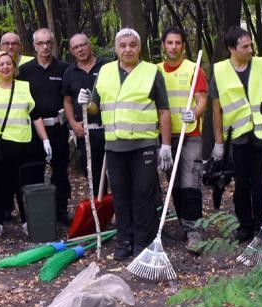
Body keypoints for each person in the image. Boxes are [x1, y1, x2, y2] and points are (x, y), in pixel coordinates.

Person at [79, 28, 172, 260]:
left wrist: (166, 145)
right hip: (114, 146)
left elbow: (163, 111)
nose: (127, 49)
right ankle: (124, 240)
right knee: (120, 195)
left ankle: (142, 241)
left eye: (132, 45)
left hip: (144, 146)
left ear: (139, 48)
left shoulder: (152, 72)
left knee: (143, 194)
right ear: (116, 48)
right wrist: (86, 101)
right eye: (123, 45)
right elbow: (95, 108)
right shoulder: (106, 72)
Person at [0, 51, 52, 238]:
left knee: (24, 185)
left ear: (14, 66)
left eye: (8, 63)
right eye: (1, 64)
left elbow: (35, 115)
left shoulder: (25, 87)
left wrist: (45, 139)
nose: (5, 67)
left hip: (23, 145)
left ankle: (27, 220)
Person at [209, 26, 262, 243]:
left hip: (261, 133)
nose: (250, 49)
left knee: (261, 181)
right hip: (238, 135)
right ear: (231, 49)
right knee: (242, 183)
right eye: (245, 46)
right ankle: (245, 225)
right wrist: (218, 142)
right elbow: (216, 109)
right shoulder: (220, 71)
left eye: (251, 45)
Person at [157, 27, 208, 253]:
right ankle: (183, 224)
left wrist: (194, 114)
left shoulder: (193, 69)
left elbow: (202, 100)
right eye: (170, 43)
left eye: (178, 43)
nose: (174, 47)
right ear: (164, 45)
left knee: (190, 181)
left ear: (183, 46)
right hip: (167, 136)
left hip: (190, 135)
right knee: (174, 183)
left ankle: (194, 230)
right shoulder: (156, 71)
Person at [19, 28, 72, 222]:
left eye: (48, 42)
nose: (45, 46)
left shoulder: (64, 68)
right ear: (34, 46)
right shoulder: (24, 71)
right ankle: (38, 212)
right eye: (40, 43)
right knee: (34, 171)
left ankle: (61, 210)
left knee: (60, 170)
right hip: (33, 131)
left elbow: (70, 97)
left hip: (58, 128)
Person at [62, 33, 106, 197]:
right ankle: (99, 208)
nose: (80, 49)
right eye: (75, 47)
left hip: (108, 128)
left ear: (90, 45)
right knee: (92, 173)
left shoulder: (106, 67)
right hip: (85, 131)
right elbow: (67, 101)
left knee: (114, 171)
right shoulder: (69, 73)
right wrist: (73, 123)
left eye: (83, 45)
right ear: (72, 51)